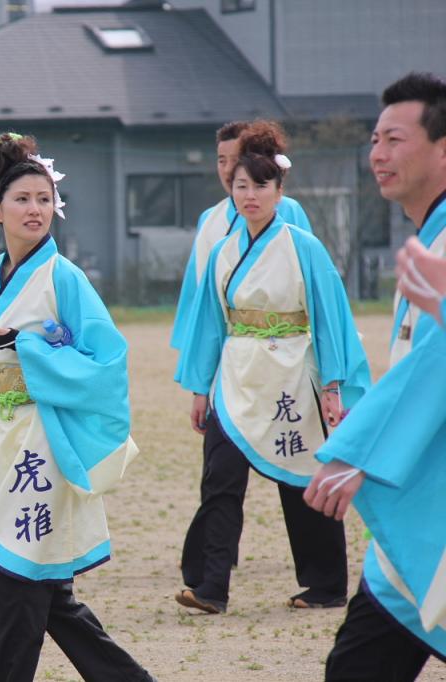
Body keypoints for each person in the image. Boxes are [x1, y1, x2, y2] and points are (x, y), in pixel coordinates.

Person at [0, 133, 154, 682]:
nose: (35, 209)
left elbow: (107, 361)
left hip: (44, 442)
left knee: (15, 574)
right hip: (2, 440)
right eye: (22, 198)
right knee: (44, 589)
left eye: (44, 199)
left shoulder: (64, 278)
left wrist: (25, 346)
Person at [173, 124, 370, 615]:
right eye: (241, 185)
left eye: (261, 186)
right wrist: (201, 388)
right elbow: (209, 326)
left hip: (290, 373)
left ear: (280, 190)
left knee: (301, 476)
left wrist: (332, 384)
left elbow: (330, 317)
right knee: (221, 476)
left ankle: (325, 585)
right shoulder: (222, 250)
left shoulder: (304, 246)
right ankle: (210, 587)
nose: (250, 195)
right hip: (237, 376)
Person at [304, 72, 446, 681]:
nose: (378, 155)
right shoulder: (430, 239)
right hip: (418, 505)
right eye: (373, 140)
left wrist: (361, 450)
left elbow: (436, 362)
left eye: (394, 139)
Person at [171, 120, 314, 353]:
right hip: (226, 341)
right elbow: (196, 287)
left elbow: (311, 280)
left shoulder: (288, 210)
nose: (227, 169)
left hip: (284, 340)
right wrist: (192, 344)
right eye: (221, 160)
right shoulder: (209, 218)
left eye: (235, 159)